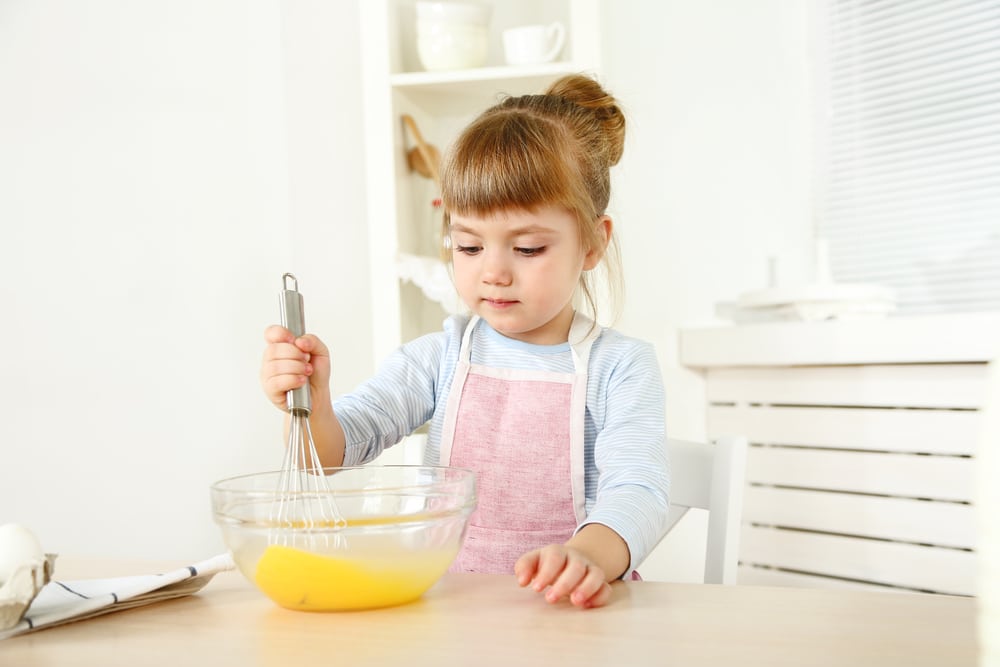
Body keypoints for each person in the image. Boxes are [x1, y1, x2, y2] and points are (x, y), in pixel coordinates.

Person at [260, 74, 670, 610]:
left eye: (526, 249)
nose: (493, 273)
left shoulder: (621, 367)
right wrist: (309, 403)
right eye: (469, 246)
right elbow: (335, 453)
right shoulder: (440, 357)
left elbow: (638, 490)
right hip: (455, 611)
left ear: (593, 242)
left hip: (571, 614)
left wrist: (588, 556)